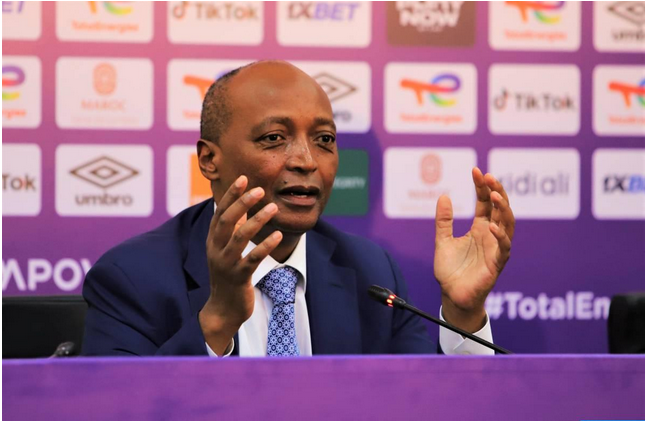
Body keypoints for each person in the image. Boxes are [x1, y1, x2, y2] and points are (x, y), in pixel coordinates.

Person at [82, 60, 515, 357]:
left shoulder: (370, 271)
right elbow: (115, 409)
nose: (307, 161)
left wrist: (463, 314)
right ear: (210, 160)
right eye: (274, 138)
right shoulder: (133, 277)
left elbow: (426, 403)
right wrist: (216, 321)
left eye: (324, 140)